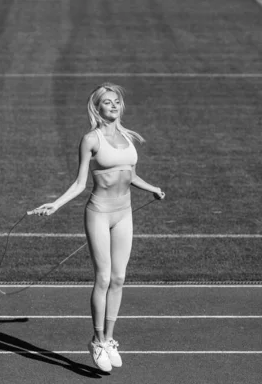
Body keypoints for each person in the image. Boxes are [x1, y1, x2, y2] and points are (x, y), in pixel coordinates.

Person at [29, 83, 165, 372]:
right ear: (97, 107)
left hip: (124, 213)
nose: (113, 106)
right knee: (103, 277)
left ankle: (111, 339)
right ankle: (97, 339)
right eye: (107, 102)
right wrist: (56, 203)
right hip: (99, 213)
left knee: (119, 277)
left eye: (116, 101)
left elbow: (130, 174)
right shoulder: (91, 139)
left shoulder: (127, 138)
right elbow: (80, 183)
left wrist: (152, 188)